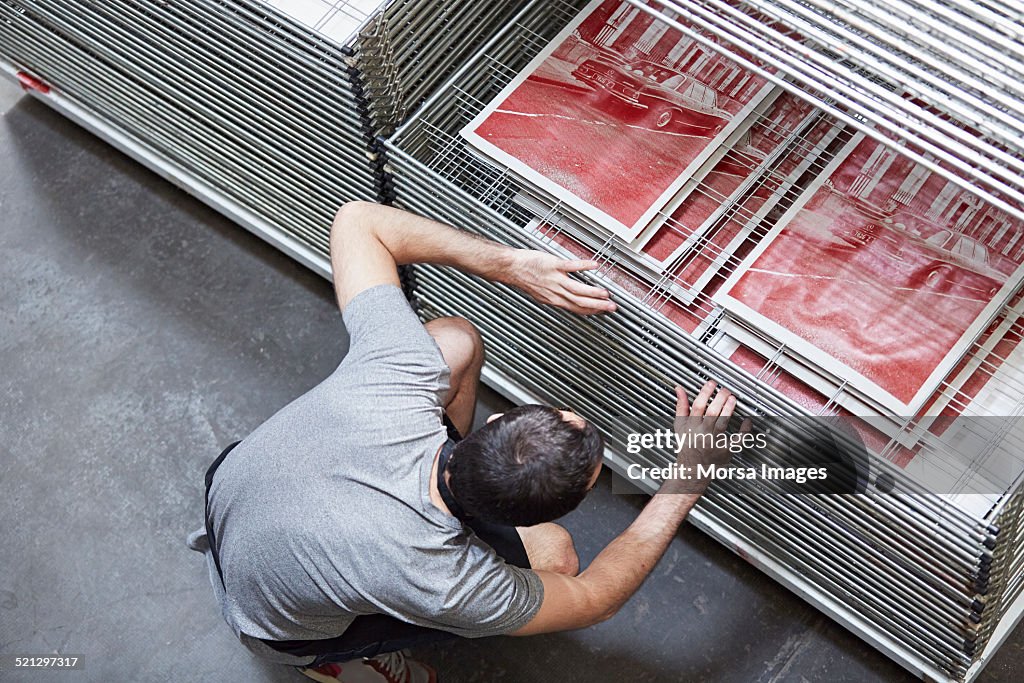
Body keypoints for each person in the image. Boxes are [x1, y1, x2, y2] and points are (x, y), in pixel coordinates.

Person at [188, 202, 739, 683]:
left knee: (452, 340)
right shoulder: (445, 580)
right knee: (557, 555)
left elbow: (358, 221)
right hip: (272, 618)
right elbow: (596, 599)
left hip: (238, 494)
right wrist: (685, 480)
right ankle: (328, 663)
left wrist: (511, 264)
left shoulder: (397, 374)